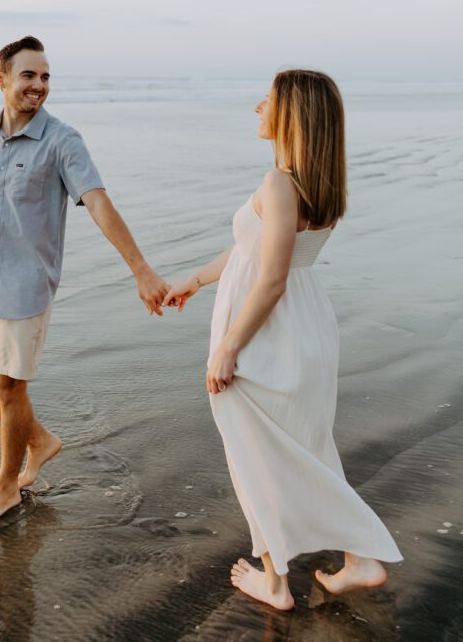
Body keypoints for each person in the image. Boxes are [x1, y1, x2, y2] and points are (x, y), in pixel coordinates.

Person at [163, 69, 402, 610]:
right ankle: (358, 558)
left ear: (290, 114)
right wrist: (196, 281)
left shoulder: (278, 183)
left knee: (257, 457)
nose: (256, 108)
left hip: (267, 335)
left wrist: (228, 348)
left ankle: (275, 585)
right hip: (305, 331)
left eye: (266, 101)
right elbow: (253, 251)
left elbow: (269, 279)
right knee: (306, 450)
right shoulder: (317, 185)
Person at [0, 36, 167, 528]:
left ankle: (6, 488)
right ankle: (39, 440)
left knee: (8, 386)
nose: (39, 86)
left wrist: (141, 269)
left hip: (26, 287)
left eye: (45, 77)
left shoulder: (63, 141)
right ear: (0, 77)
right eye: (28, 75)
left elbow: (99, 203)